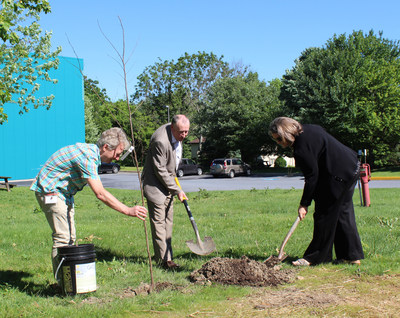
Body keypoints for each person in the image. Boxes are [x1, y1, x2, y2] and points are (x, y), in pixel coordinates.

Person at [31, 127, 148, 279]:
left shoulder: (90, 153)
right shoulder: (87, 157)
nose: (118, 158)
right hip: (51, 192)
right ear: (106, 147)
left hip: (63, 193)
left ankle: (70, 280)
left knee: (70, 238)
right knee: (62, 238)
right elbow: (100, 193)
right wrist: (128, 210)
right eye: (117, 154)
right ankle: (62, 283)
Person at [269, 117, 364, 266]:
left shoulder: (301, 149)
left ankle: (314, 257)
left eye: (279, 139)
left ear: (286, 133)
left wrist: (304, 204)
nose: (279, 144)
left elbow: (312, 178)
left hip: (338, 175)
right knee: (342, 212)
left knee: (324, 214)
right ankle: (351, 256)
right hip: (352, 167)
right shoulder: (310, 128)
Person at [142, 114, 190, 269]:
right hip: (155, 185)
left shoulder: (177, 135)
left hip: (168, 183)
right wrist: (177, 190)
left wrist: (175, 187)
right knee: (159, 224)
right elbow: (160, 170)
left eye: (186, 132)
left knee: (168, 222)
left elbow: (171, 167)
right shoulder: (160, 141)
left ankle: (167, 256)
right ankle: (164, 261)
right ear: (172, 128)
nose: (183, 135)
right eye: (181, 132)